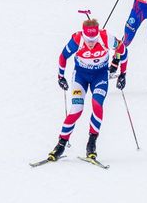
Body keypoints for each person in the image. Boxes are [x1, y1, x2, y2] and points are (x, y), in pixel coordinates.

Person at [47, 18, 127, 161]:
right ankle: (61, 144)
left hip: (100, 76)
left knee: (97, 105)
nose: (91, 43)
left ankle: (91, 143)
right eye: (88, 39)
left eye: (94, 39)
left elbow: (123, 51)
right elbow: (63, 56)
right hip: (81, 77)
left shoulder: (106, 38)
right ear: (83, 34)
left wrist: (123, 74)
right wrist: (60, 77)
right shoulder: (77, 39)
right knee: (77, 109)